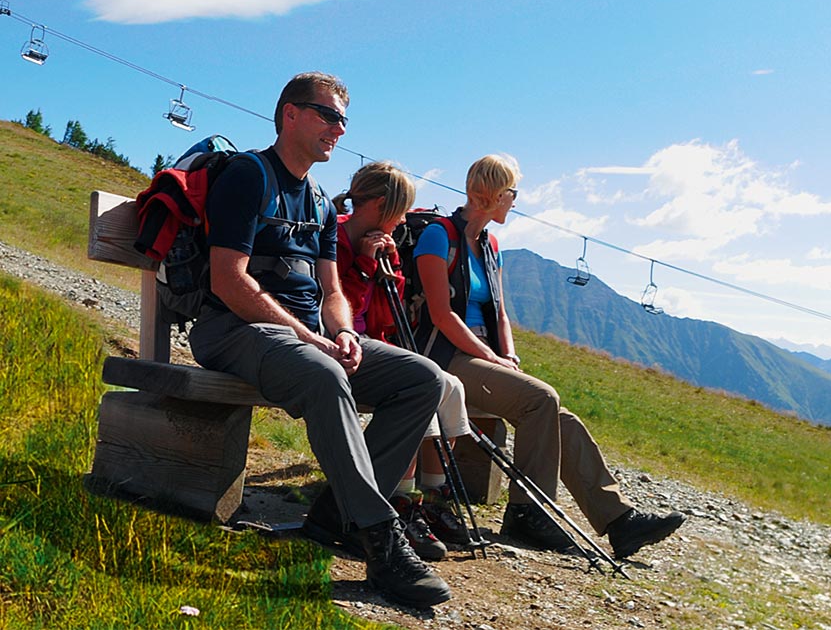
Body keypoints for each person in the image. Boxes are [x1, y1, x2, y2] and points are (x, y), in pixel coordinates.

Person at [187, 73, 451, 608]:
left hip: (304, 339)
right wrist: (311, 338)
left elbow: (332, 288)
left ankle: (336, 513)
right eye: (327, 115)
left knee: (424, 379)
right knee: (326, 373)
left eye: (343, 120)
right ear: (289, 114)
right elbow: (228, 280)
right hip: (235, 329)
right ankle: (380, 540)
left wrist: (346, 331)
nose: (338, 129)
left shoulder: (322, 203)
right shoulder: (248, 176)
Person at [414, 153, 684, 560]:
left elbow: (501, 311)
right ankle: (527, 514)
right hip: (445, 356)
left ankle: (619, 521)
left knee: (559, 419)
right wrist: (491, 355)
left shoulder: (490, 245)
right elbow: (441, 314)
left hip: (483, 357)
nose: (515, 200)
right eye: (511, 192)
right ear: (489, 193)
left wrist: (510, 355)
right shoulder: (439, 236)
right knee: (541, 399)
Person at [333, 160, 475, 558]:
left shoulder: (380, 244)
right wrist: (363, 265)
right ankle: (400, 501)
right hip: (342, 342)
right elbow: (337, 303)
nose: (401, 222)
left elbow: (388, 313)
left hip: (371, 341)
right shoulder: (337, 238)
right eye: (399, 213)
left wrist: (390, 268)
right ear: (381, 206)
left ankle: (430, 497)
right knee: (419, 386)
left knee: (449, 385)